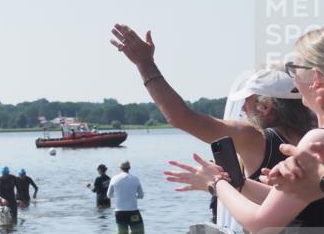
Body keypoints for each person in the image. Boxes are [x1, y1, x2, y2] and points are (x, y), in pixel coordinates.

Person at [165, 29, 324, 234]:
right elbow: (300, 201)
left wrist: (216, 184)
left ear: (316, 79)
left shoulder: (316, 140)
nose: (295, 83)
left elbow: (262, 223)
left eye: (295, 70)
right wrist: (240, 183)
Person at [110, 23, 315, 185]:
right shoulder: (315, 134)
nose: (243, 108)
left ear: (265, 107)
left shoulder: (254, 137)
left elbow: (182, 118)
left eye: (247, 101)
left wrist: (145, 64)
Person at [108, 161, 144, 234]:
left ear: (120, 168)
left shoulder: (114, 178)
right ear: (129, 168)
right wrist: (132, 196)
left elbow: (109, 195)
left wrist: (119, 196)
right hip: (133, 212)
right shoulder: (135, 179)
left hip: (119, 213)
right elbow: (141, 195)